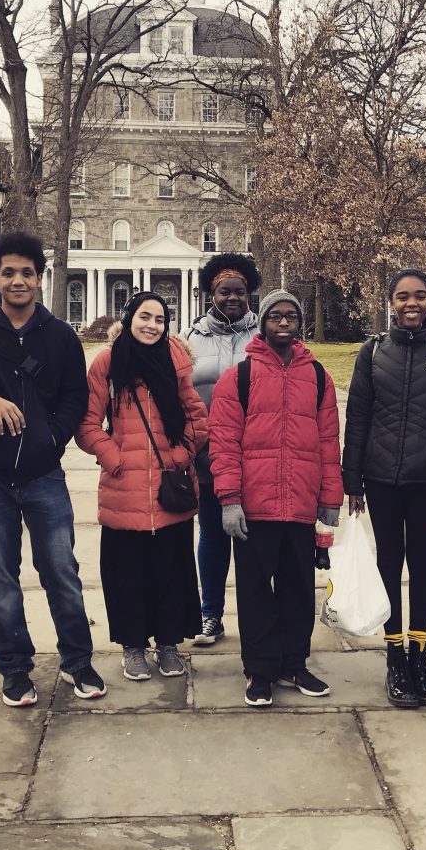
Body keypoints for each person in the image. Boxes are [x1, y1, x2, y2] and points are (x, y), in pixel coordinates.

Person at [0, 233, 102, 707]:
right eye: (8, 272)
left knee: (61, 570)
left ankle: (77, 660)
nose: (18, 280)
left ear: (39, 277)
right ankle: (13, 667)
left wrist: (52, 436)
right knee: (2, 577)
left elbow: (77, 396)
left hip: (44, 475)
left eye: (27, 272)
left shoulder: (60, 337)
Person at [342, 269, 426, 708]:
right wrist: (353, 478)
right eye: (402, 296)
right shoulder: (374, 351)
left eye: (419, 295)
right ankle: (394, 654)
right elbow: (358, 416)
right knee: (388, 563)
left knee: (420, 564)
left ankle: (420, 654)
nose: (411, 303)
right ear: (391, 303)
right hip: (381, 478)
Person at [209, 290, 343, 707]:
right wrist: (229, 499)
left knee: (299, 589)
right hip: (255, 505)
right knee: (253, 591)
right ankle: (260, 669)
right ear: (262, 322)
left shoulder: (318, 376)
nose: (283, 323)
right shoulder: (240, 376)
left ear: (299, 324)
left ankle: (293, 662)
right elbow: (224, 442)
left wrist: (330, 499)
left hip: (300, 505)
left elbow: (327, 440)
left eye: (290, 316)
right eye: (275, 316)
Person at [77, 291, 209, 682]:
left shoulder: (175, 361)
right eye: (144, 316)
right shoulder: (107, 363)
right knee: (127, 576)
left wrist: (179, 457)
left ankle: (168, 644)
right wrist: (115, 458)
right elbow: (86, 425)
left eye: (160, 318)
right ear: (129, 317)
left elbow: (197, 421)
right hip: (124, 491)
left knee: (171, 572)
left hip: (169, 491)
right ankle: (133, 647)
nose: (152, 325)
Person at [182, 252, 262, 647]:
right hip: (209, 454)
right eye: (224, 291)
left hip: (257, 453)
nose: (232, 297)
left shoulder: (262, 335)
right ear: (211, 293)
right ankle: (210, 614)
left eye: (240, 292)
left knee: (253, 539)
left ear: (249, 295)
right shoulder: (191, 338)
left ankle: (256, 615)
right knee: (212, 534)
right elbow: (181, 390)